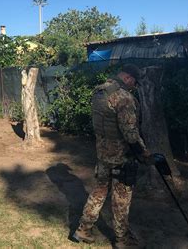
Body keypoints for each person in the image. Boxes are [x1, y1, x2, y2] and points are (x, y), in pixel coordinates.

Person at [72, 64, 155, 248]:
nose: (133, 87)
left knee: (99, 191)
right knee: (121, 198)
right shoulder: (124, 98)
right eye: (134, 83)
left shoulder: (99, 92)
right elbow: (131, 134)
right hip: (121, 158)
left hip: (102, 154)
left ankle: (83, 229)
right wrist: (143, 153)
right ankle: (122, 240)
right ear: (128, 78)